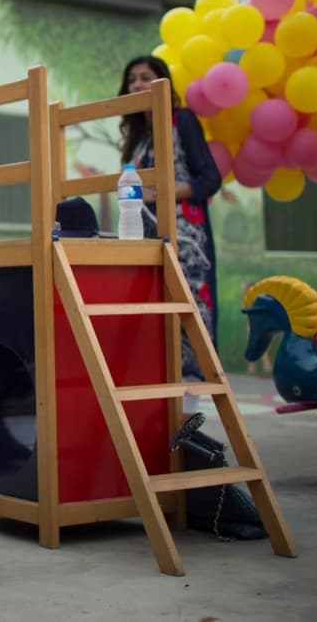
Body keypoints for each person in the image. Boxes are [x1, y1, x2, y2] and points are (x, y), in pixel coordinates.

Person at [118, 55, 222, 388]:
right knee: (152, 316)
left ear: (163, 83)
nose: (137, 84)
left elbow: (210, 178)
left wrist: (160, 194)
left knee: (188, 316)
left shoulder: (183, 121)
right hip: (146, 234)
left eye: (146, 77)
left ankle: (190, 416)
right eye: (132, 79)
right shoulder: (138, 137)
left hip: (186, 238)